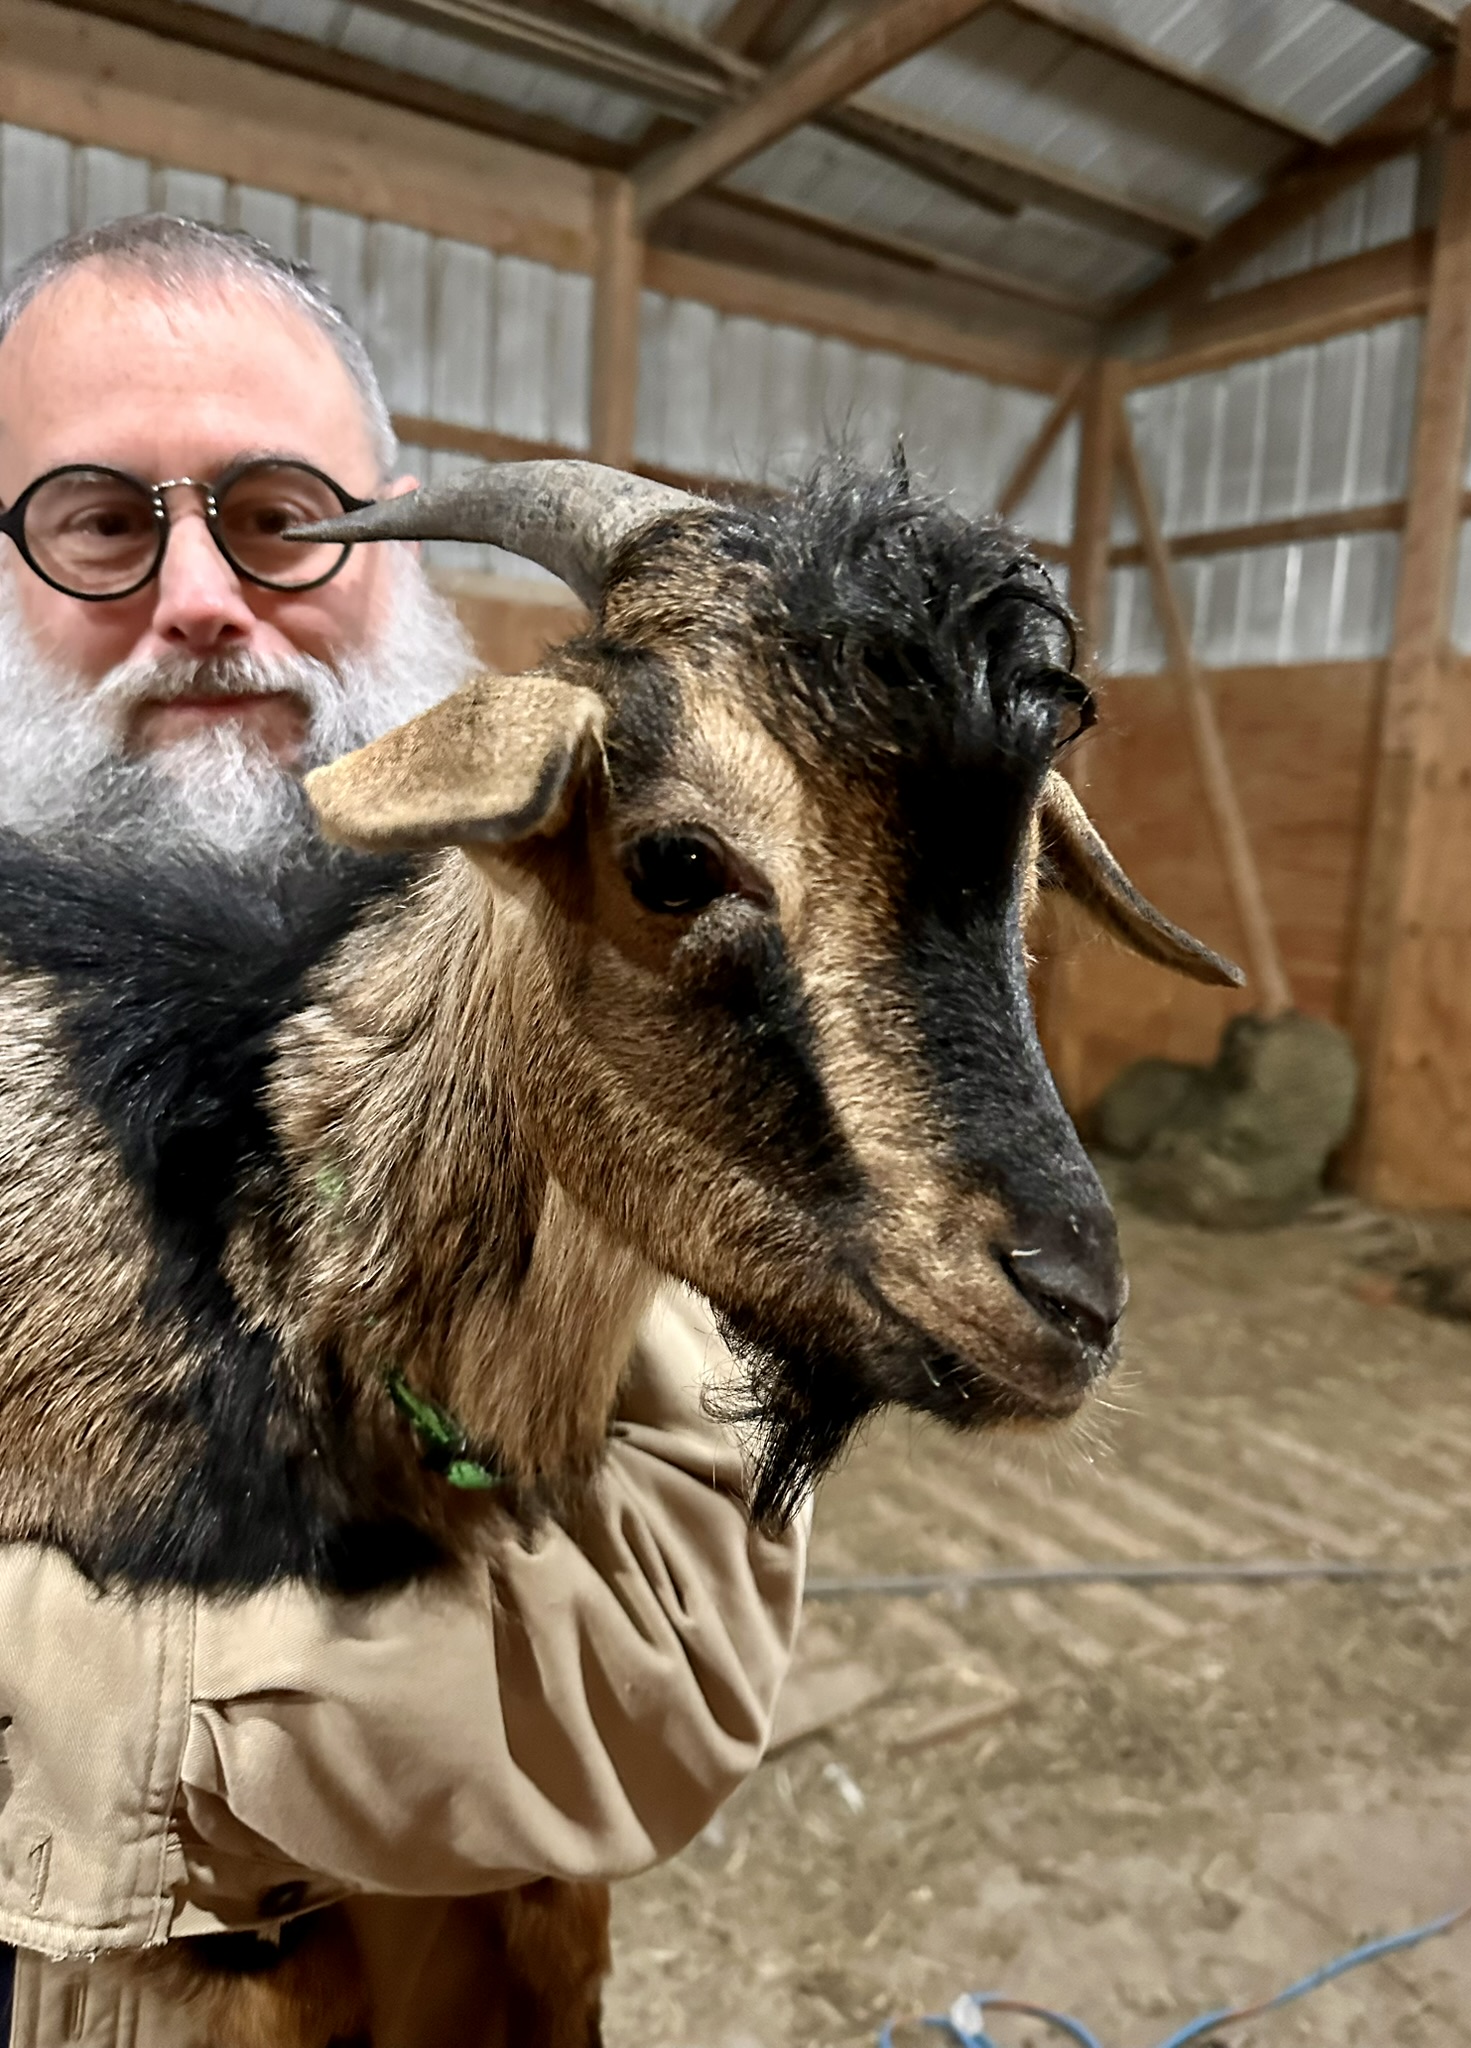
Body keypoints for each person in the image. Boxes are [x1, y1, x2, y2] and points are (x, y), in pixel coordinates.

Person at [0, 213, 807, 2048]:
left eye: (282, 517)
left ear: (403, 540)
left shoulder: (594, 977)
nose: (198, 598)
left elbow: (641, 1678)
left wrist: (70, 1701)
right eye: (100, 524)